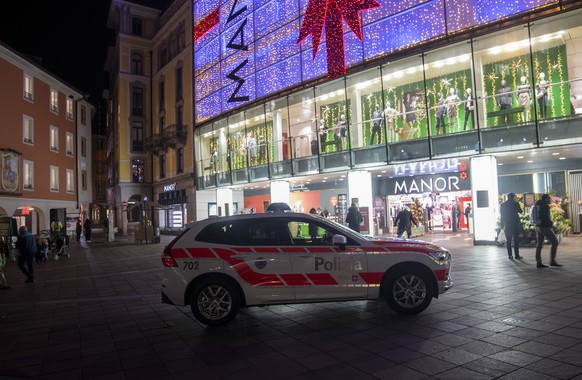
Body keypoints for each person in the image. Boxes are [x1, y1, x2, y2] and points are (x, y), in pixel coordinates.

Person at [533, 194, 561, 268]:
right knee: (555, 242)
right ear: (546, 199)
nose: (550, 200)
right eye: (549, 199)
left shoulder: (537, 204)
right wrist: (551, 224)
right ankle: (552, 261)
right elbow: (545, 217)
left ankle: (538, 262)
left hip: (538, 226)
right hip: (545, 227)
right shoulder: (545, 206)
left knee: (539, 244)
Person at [500, 192, 523, 259]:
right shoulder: (515, 204)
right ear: (513, 197)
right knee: (516, 240)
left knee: (508, 240)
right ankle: (517, 255)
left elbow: (502, 215)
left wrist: (502, 225)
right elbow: (520, 211)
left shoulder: (503, 205)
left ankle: (510, 255)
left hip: (507, 224)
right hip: (515, 223)